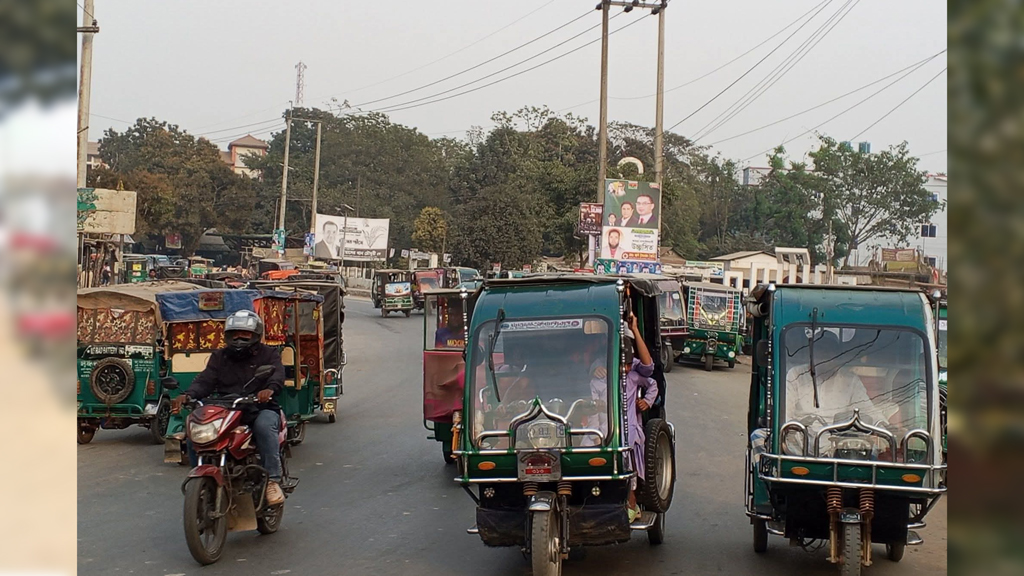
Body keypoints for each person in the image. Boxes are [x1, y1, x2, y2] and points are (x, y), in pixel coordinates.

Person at [171, 310, 288, 505]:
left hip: (260, 407)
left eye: (245, 334)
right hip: (228, 408)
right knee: (196, 431)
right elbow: (205, 380)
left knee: (264, 426)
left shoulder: (268, 354)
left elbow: (277, 375)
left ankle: (272, 480)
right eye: (235, 334)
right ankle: (200, 476)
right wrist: (189, 395)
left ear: (256, 335)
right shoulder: (220, 356)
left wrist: (269, 389)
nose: (239, 338)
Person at [623, 312, 658, 521]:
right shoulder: (599, 370)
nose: (624, 369)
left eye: (627, 364)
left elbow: (650, 372)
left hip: (630, 431)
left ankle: (632, 504)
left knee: (630, 468)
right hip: (605, 429)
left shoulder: (634, 373)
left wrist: (647, 401)